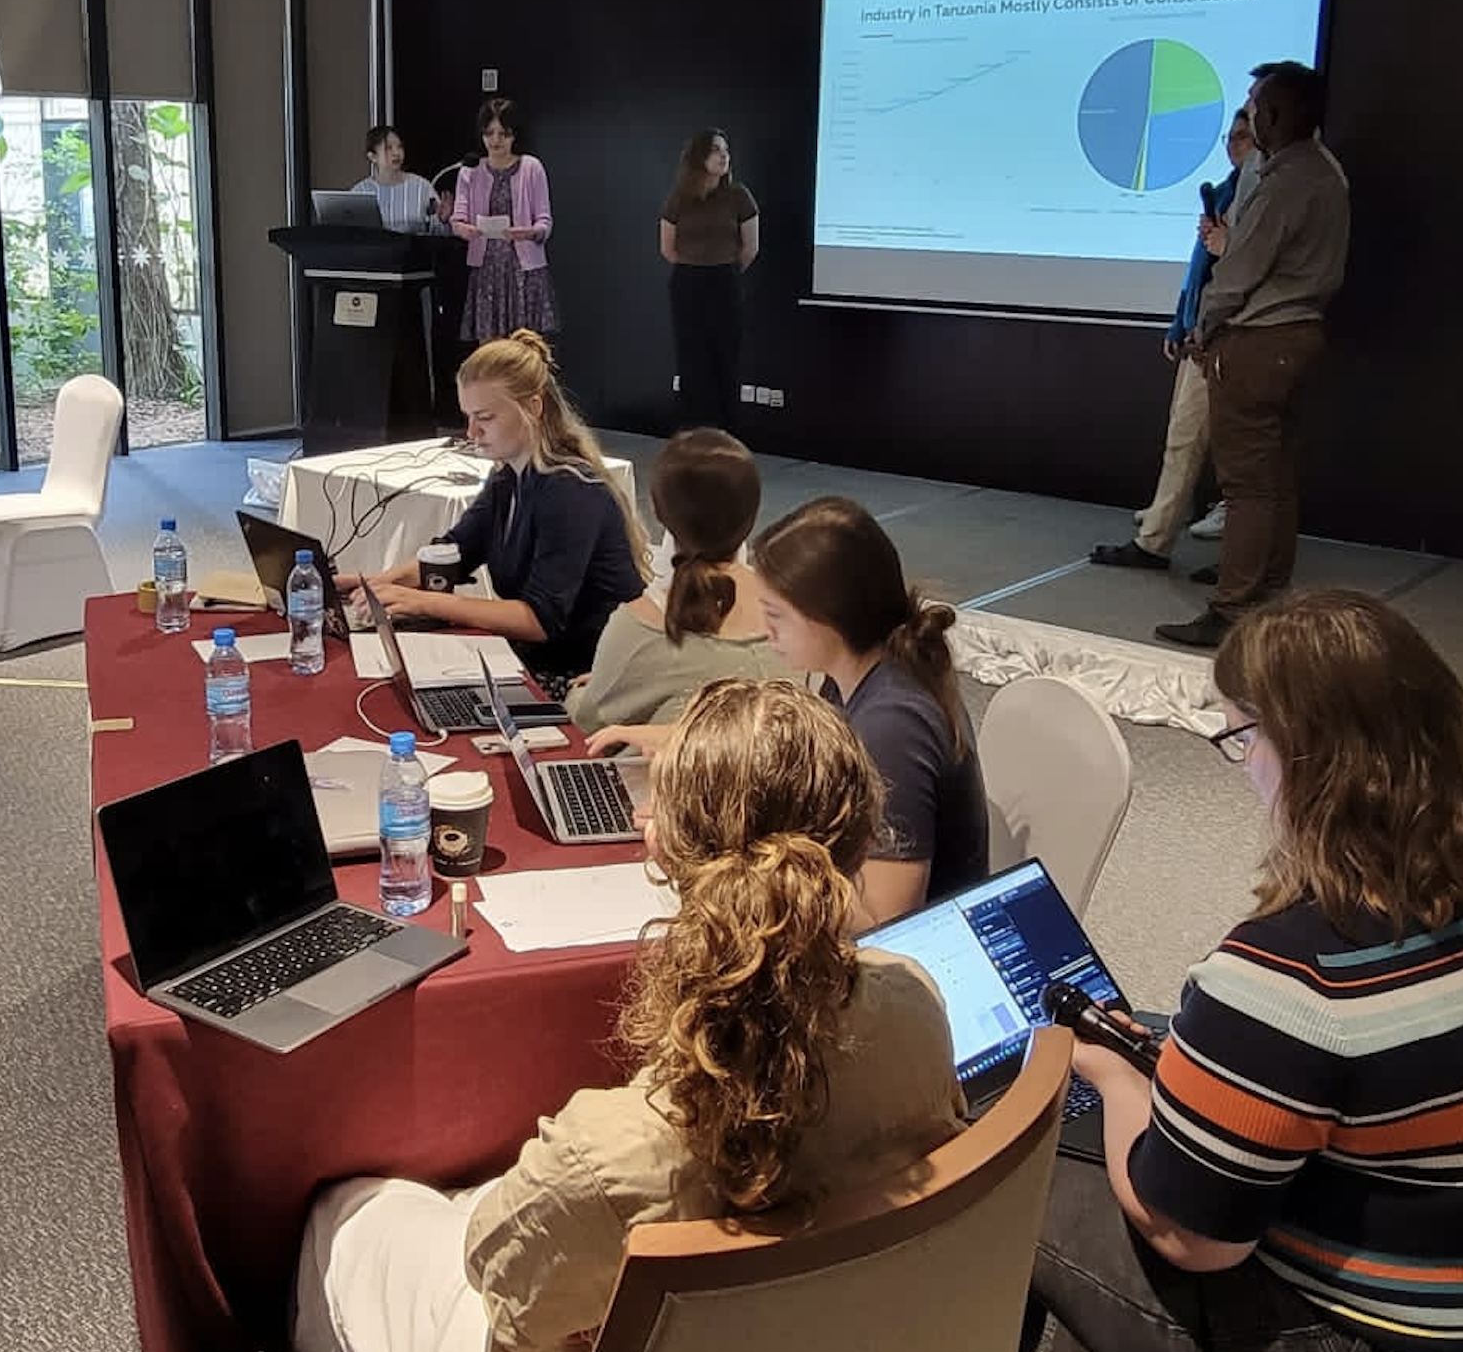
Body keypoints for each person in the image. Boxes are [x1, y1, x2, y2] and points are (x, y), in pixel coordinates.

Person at [1029, 588, 1463, 1352]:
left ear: (1301, 754)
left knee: (1020, 1176)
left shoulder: (1285, 983)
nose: (1242, 764)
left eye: (1242, 736)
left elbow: (1193, 1241)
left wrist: (1112, 1075)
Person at [289, 677, 967, 1352]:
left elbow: (500, 1281)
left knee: (349, 1219)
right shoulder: (917, 1005)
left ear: (663, 845)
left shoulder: (613, 1158)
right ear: (862, 835)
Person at [600, 495, 986, 923]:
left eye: (776, 615)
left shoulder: (893, 725)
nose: (766, 630)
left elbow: (881, 920)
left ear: (827, 618)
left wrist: (711, 865)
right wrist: (690, 756)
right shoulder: (861, 678)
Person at [1158, 62, 1348, 651]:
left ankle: (1233, 608)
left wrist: (1202, 327)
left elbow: (1237, 273)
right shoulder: (1325, 172)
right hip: (1298, 336)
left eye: (1257, 107)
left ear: (1279, 113)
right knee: (1274, 472)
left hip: (1260, 341)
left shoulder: (1286, 182)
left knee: (1245, 482)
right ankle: (1266, 583)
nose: (1251, 116)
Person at [338, 332, 647, 691]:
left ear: (533, 407)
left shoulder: (571, 491)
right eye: (468, 417)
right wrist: (377, 584)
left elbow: (539, 619)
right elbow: (453, 553)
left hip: (586, 675)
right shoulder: (508, 477)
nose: (472, 432)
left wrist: (425, 602)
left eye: (484, 417)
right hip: (545, 658)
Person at [1090, 108, 1262, 574]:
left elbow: (1241, 269)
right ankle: (1165, 530)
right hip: (1202, 333)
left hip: (1229, 337)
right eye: (1231, 134)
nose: (1234, 143)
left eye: (1246, 136)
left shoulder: (1260, 193)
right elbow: (1200, 271)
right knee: (1184, 438)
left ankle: (1163, 541)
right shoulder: (1227, 191)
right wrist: (1179, 323)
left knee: (1222, 449)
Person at [566, 429, 790, 734]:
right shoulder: (797, 613)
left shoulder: (639, 625)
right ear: (753, 513)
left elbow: (588, 722)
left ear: (659, 513)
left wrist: (595, 687)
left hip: (666, 778)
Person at [656, 129, 757, 432]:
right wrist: (696, 266)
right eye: (716, 150)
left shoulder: (739, 195)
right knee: (691, 360)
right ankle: (693, 433)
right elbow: (667, 247)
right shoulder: (679, 198)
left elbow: (750, 248)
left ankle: (727, 434)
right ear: (699, 157)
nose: (724, 155)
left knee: (725, 359)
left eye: (726, 150)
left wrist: (721, 268)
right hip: (687, 282)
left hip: (724, 281)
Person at [449, 98, 557, 345]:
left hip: (524, 271)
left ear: (514, 135)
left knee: (525, 350)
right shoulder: (470, 170)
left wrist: (529, 232)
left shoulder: (531, 167)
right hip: (487, 271)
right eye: (489, 133)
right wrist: (463, 229)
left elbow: (545, 221)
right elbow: (457, 218)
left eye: (503, 133)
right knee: (490, 350)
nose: (495, 140)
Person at [352, 124, 445, 234]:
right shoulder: (360, 191)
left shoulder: (422, 187)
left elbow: (439, 234)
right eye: (388, 148)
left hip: (415, 250)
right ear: (373, 157)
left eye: (400, 147)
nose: (396, 153)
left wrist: (443, 220)